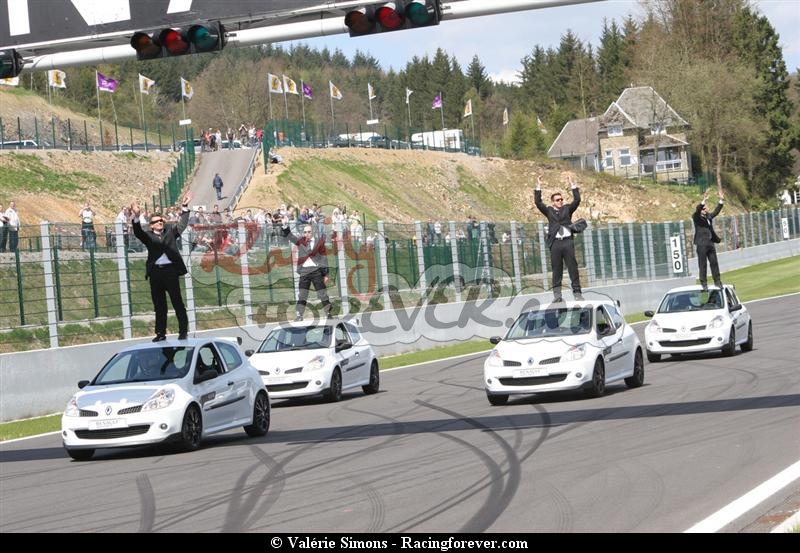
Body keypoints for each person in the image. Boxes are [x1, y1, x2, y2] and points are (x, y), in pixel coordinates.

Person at [131, 194, 192, 342]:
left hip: (170, 271)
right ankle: (160, 333)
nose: (159, 223)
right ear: (151, 225)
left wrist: (184, 207)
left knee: (177, 302)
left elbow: (182, 225)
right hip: (156, 273)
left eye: (160, 220)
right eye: (156, 221)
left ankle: (183, 331)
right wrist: (136, 216)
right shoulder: (148, 236)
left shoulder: (170, 232)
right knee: (159, 305)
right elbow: (138, 232)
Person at [534, 174, 583, 302]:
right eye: (557, 200)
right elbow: (538, 202)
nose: (560, 201)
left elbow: (577, 200)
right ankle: (557, 296)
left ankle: (577, 293)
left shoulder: (567, 209)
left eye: (561, 199)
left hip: (567, 242)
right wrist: (539, 185)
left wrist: (572, 184)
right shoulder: (549, 211)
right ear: (553, 202)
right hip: (555, 243)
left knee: (572, 267)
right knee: (557, 269)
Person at [281, 216, 332, 321]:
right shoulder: (301, 241)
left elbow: (324, 257)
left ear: (312, 232)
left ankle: (328, 313)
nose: (306, 234)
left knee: (322, 293)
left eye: (308, 232)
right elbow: (290, 237)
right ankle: (299, 315)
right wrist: (285, 226)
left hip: (316, 270)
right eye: (305, 232)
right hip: (304, 271)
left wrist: (326, 274)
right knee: (302, 294)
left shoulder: (319, 242)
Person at [692, 187, 724, 291]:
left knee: (714, 263)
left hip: (710, 243)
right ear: (701, 210)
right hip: (701, 244)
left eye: (706, 208)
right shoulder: (696, 217)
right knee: (703, 265)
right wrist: (703, 201)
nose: (706, 209)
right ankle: (704, 284)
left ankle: (718, 282)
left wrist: (721, 200)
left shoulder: (708, 217)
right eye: (704, 208)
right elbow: (697, 210)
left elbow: (716, 211)